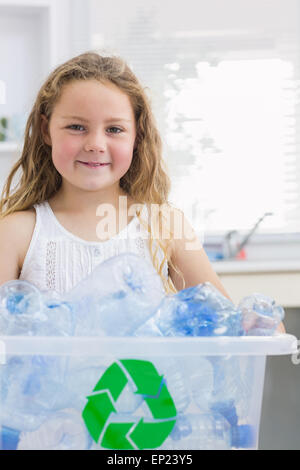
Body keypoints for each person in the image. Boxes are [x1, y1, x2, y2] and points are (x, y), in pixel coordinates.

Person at [0, 51, 285, 332]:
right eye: (76, 127)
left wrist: (259, 325)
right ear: (46, 129)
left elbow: (229, 326)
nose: (96, 144)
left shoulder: (164, 227)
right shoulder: (16, 234)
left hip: (148, 381)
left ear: (137, 136)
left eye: (114, 129)